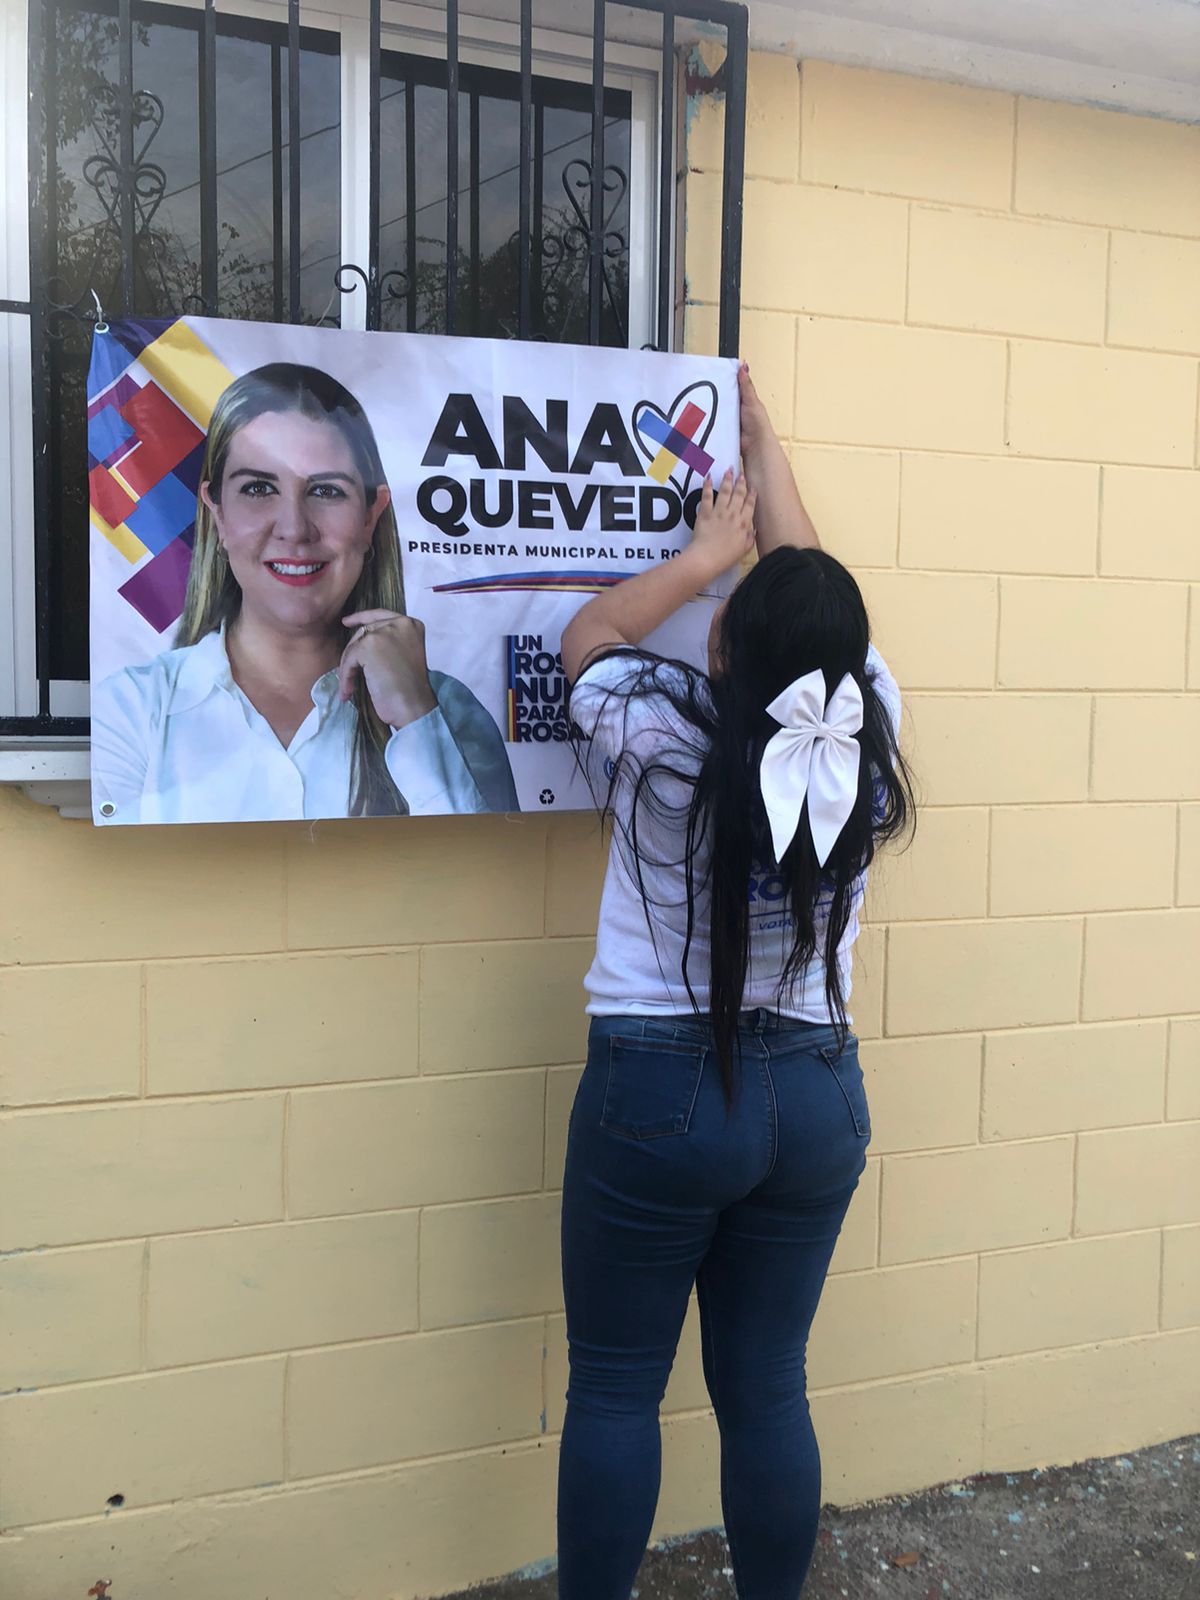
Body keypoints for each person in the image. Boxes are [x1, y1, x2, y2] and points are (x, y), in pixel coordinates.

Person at [556, 364, 913, 1599]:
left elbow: (588, 635)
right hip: (815, 1094)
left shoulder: (660, 736)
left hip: (662, 1090)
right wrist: (770, 459)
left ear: (721, 642)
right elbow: (823, 618)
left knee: (616, 1388)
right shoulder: (864, 737)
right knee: (766, 1388)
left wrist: (707, 554)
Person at [92, 363, 517, 823]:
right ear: (217, 513)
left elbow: (486, 870)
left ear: (371, 516)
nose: (294, 529)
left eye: (326, 491)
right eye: (259, 488)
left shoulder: (448, 712)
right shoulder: (130, 710)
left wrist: (418, 720)